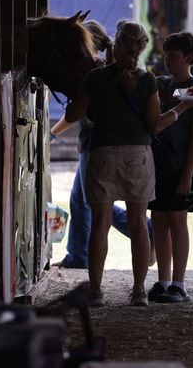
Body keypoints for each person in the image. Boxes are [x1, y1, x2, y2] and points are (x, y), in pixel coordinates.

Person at [51, 20, 193, 307]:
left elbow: (76, 112)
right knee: (138, 225)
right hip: (137, 156)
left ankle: (95, 290)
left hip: (102, 153)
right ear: (141, 49)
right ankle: (139, 290)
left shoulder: (95, 79)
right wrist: (181, 108)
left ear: (116, 46)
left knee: (100, 226)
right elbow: (155, 125)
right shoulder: (147, 81)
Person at [53, 20, 154, 270]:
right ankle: (80, 255)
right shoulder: (141, 77)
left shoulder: (96, 74)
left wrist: (52, 133)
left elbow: (75, 112)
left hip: (96, 144)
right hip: (128, 149)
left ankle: (86, 265)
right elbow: (153, 121)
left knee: (94, 207)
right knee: (83, 200)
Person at [147, 32, 193, 304]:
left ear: (188, 58)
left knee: (177, 222)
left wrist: (186, 176)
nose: (167, 61)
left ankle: (179, 283)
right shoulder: (162, 84)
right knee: (159, 221)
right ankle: (162, 281)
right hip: (159, 166)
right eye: (165, 55)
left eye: (172, 56)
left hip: (182, 167)